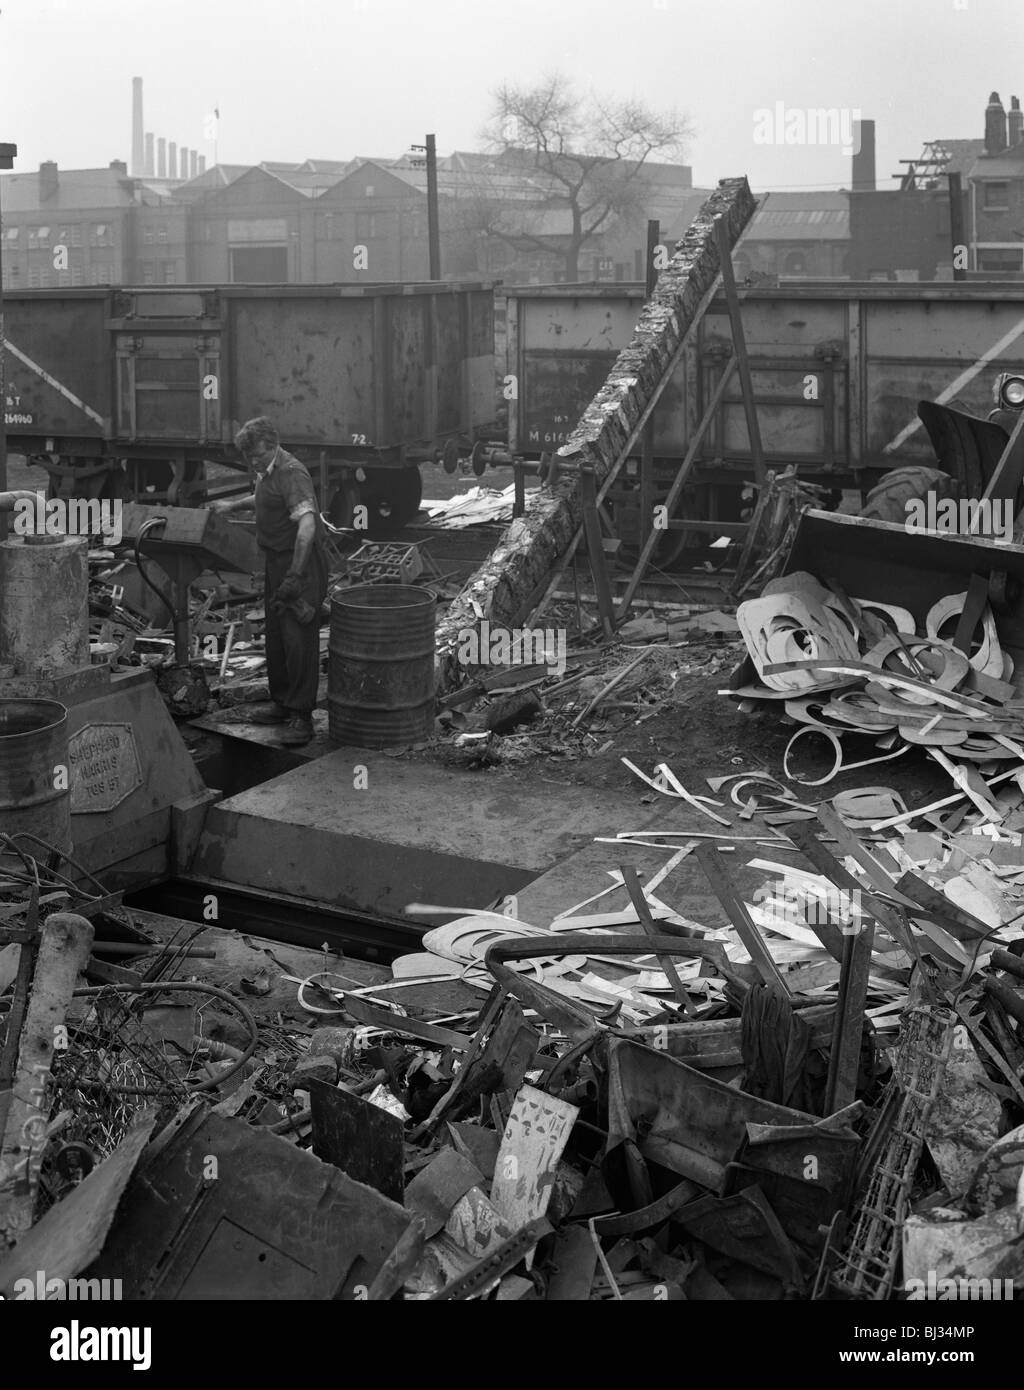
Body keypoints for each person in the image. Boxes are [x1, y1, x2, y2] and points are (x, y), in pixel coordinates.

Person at [210, 418, 327, 746]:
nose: (253, 463)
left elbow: (307, 526)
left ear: (273, 445)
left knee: (297, 641)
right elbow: (265, 499)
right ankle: (282, 703)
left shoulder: (292, 473)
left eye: (258, 457)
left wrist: (295, 576)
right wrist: (232, 504)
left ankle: (301, 717)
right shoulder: (267, 470)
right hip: (277, 561)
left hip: (298, 563)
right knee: (276, 636)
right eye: (249, 458)